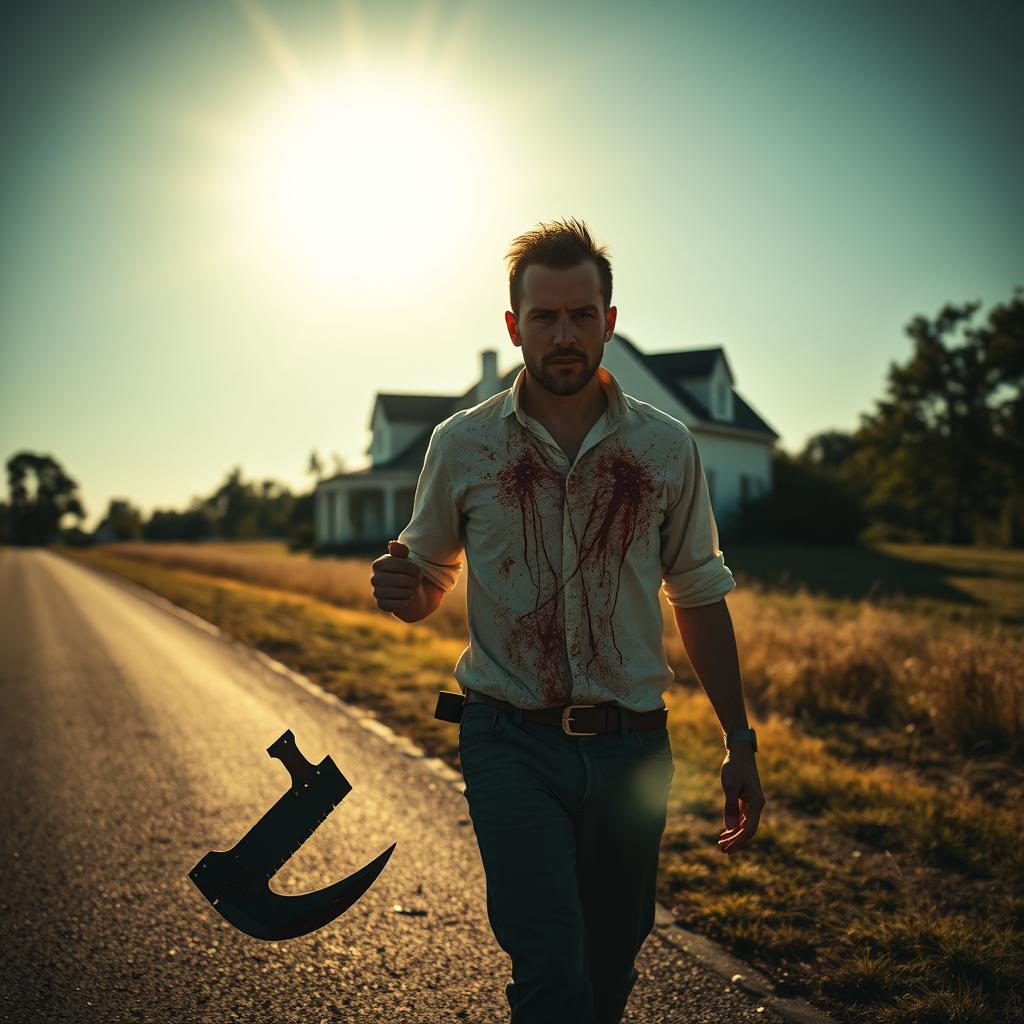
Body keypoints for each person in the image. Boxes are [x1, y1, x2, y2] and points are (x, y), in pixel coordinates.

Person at [370, 218, 765, 1024]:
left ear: (609, 322)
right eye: (544, 317)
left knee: (611, 968)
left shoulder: (666, 449)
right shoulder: (462, 445)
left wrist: (739, 740)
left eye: (581, 315)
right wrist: (401, 590)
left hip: (633, 748)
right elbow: (429, 581)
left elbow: (698, 594)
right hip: (508, 740)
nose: (564, 335)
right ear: (514, 326)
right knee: (550, 970)